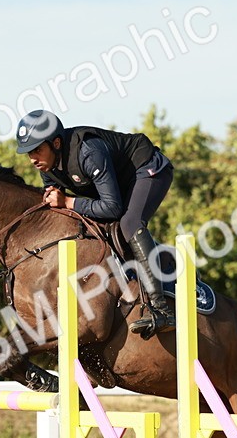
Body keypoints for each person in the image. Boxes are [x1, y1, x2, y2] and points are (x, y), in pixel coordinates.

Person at [15, 109, 176, 339]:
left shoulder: (88, 152)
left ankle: (161, 309)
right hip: (117, 186)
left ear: (56, 143)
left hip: (148, 169)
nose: (32, 158)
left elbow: (112, 208)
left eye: (37, 150)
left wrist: (69, 201)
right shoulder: (48, 168)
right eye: (29, 153)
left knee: (129, 223)